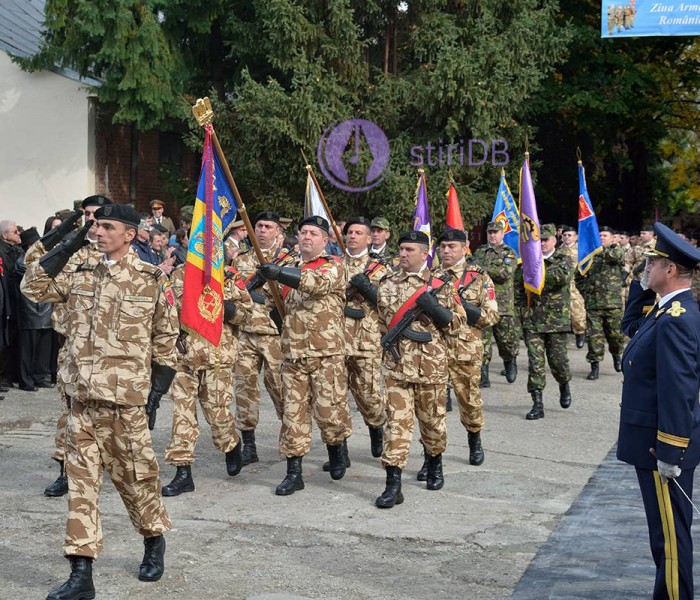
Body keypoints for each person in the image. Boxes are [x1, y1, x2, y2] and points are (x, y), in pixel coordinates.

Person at [21, 204, 179, 599]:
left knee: (137, 482)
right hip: (81, 402)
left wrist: (154, 396)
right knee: (82, 487)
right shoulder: (78, 272)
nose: (98, 230)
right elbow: (33, 286)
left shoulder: (150, 279)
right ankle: (81, 573)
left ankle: (153, 539)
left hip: (125, 403)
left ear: (129, 234)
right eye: (95, 225)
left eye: (107, 226)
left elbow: (166, 340)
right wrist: (70, 240)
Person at [617, 222, 700, 600]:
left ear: (669, 270)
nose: (645, 266)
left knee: (669, 538)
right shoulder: (665, 310)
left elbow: (677, 391)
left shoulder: (677, 320)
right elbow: (631, 327)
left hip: (660, 448)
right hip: (651, 442)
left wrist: (670, 451)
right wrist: (640, 286)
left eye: (652, 263)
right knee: (664, 536)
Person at [257, 215, 352, 496]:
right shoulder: (286, 269)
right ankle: (294, 472)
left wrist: (278, 273)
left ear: (325, 240)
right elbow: (269, 303)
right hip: (293, 356)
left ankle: (336, 449)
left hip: (326, 355)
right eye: (303, 233)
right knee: (293, 415)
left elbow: (314, 284)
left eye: (313, 233)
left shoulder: (334, 267)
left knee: (328, 412)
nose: (307, 237)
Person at [375, 231, 466, 508]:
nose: (402, 254)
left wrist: (436, 309)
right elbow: (380, 323)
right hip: (397, 368)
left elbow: (458, 325)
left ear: (425, 254)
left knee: (433, 423)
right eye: (401, 249)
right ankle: (393, 485)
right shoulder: (387, 283)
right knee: (396, 426)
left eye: (409, 250)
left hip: (431, 368)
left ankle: (434, 463)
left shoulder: (442, 285)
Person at [161, 261, 252, 496]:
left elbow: (247, 314)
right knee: (182, 415)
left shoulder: (229, 275)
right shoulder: (179, 273)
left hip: (217, 357)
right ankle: (183, 473)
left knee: (218, 415)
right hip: (183, 356)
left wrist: (226, 307)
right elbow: (165, 310)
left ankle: (231, 444)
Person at [435, 229, 499, 466]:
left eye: (452, 246)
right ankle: (432, 455)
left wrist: (463, 306)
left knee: (469, 400)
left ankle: (474, 440)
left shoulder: (479, 277)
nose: (446, 251)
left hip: (466, 351)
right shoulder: (431, 275)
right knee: (432, 406)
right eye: (443, 246)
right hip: (434, 351)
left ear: (465, 247)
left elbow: (491, 316)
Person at [233, 211, 287, 467]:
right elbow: (232, 289)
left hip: (276, 335)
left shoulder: (288, 261)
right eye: (259, 226)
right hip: (245, 334)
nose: (262, 230)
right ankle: (249, 445)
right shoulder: (241, 259)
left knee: (281, 389)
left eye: (268, 227)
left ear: (278, 231)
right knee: (244, 390)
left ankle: (290, 441)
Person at [340, 216, 388, 463]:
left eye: (359, 233)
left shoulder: (380, 268)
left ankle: (376, 428)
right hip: (334, 340)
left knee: (369, 395)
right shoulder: (334, 264)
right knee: (335, 399)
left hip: (365, 341)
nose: (353, 236)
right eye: (349, 232)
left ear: (369, 239)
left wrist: (367, 288)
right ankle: (340, 450)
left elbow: (388, 301)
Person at [514, 224, 573, 420]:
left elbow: (560, 278)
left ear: (555, 240)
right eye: (539, 240)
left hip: (556, 322)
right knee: (535, 364)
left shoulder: (562, 260)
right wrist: (522, 314)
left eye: (546, 239)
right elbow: (518, 291)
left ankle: (564, 384)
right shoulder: (525, 265)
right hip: (533, 323)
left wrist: (534, 269)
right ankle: (537, 403)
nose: (543, 243)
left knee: (558, 363)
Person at [471, 220, 519, 387]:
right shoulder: (480, 251)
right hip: (483, 304)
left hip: (502, 304)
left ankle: (509, 360)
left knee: (506, 340)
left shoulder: (509, 253)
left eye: (495, 232)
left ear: (502, 233)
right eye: (490, 232)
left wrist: (483, 270)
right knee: (483, 341)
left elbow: (505, 273)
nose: (492, 235)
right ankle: (483, 374)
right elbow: (471, 270)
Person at [575, 225, 626, 379]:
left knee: (615, 336)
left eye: (605, 235)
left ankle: (617, 356)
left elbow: (616, 257)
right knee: (593, 337)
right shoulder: (589, 256)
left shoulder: (616, 250)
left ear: (612, 238)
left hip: (612, 304)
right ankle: (594, 366)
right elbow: (578, 275)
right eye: (600, 235)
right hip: (594, 304)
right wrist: (587, 293)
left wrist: (597, 248)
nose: (602, 238)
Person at [15, 227, 53, 391]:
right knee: (27, 349)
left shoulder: (43, 259)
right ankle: (25, 379)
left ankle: (40, 376)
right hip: (30, 310)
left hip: (46, 308)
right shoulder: (22, 262)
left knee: (43, 348)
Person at [559, 225, 587, 348]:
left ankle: (580, 334)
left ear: (576, 237)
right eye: (564, 235)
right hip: (561, 286)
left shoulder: (581, 250)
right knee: (561, 312)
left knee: (577, 312)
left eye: (569, 235)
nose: (566, 237)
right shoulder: (558, 250)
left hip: (575, 285)